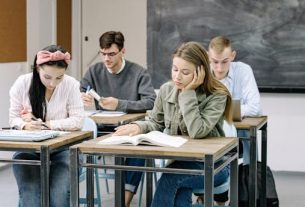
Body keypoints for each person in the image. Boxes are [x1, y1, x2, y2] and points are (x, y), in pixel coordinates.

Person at [114, 41, 233, 207]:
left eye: (185, 72)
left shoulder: (217, 95)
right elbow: (156, 122)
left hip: (213, 166)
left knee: (170, 178)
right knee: (177, 189)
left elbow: (197, 131)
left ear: (201, 72)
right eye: (175, 69)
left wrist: (188, 93)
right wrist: (138, 126)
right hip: (180, 162)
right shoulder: (166, 90)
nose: (177, 76)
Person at [80, 31, 156, 206]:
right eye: (103, 53)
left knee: (140, 147)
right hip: (101, 129)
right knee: (76, 142)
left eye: (112, 54)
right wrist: (81, 97)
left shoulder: (138, 72)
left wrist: (119, 104)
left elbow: (151, 102)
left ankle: (123, 201)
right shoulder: (94, 70)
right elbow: (80, 90)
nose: (106, 58)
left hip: (130, 129)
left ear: (123, 51)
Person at [9, 45, 84, 207]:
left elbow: (78, 121)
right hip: (29, 149)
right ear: (37, 68)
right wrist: (24, 125)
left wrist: (47, 124)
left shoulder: (71, 85)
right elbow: (13, 119)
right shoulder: (23, 83)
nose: (53, 83)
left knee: (59, 194)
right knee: (30, 194)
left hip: (64, 149)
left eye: (59, 78)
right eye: (47, 77)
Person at [207, 35, 262, 204]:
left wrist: (219, 111)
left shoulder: (244, 70)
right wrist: (234, 110)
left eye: (224, 61)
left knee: (240, 151)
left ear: (233, 55)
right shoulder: (202, 71)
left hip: (238, 134)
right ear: (208, 57)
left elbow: (255, 108)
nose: (219, 67)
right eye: (215, 62)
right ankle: (213, 197)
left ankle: (241, 197)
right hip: (210, 134)